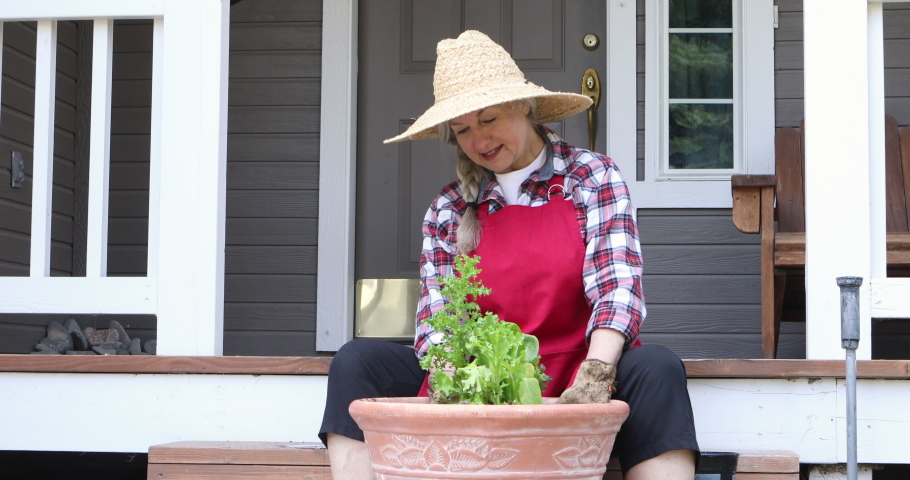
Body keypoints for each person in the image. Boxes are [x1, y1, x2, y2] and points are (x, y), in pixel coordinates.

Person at [319, 30, 699, 479]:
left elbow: (618, 287)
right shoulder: (449, 208)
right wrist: (452, 384)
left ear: (525, 106)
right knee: (355, 362)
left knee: (657, 367)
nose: (478, 139)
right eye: (462, 130)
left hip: (578, 376)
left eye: (488, 119)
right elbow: (437, 316)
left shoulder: (590, 178)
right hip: (483, 387)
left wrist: (596, 373)